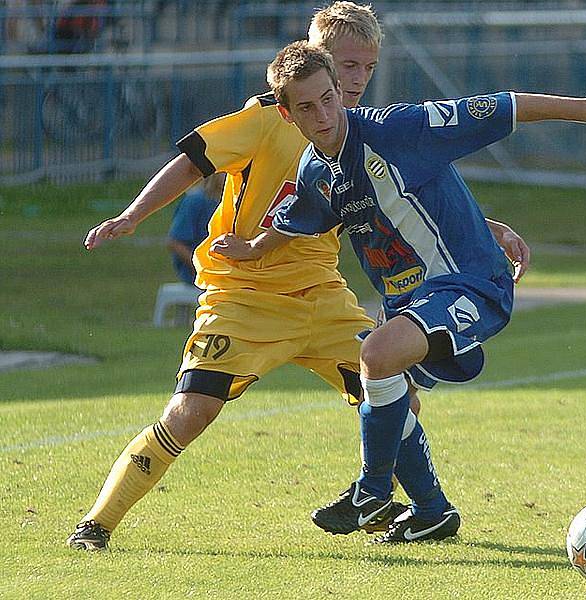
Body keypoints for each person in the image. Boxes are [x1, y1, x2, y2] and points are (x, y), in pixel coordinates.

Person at [68, 2, 530, 551]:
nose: (356, 79)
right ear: (316, 63)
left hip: (321, 295)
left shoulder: (359, 130)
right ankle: (98, 522)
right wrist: (131, 216)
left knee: (394, 389)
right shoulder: (270, 117)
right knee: (194, 410)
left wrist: (486, 231)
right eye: (346, 65)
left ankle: (423, 509)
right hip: (246, 295)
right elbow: (194, 160)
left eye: (366, 68)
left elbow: (409, 202)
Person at [212, 41, 586, 543]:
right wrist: (254, 249)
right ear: (287, 113)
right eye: (306, 107)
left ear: (340, 92)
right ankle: (432, 510)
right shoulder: (316, 172)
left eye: (328, 98)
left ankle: (371, 493)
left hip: (471, 281)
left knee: (376, 353)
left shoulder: (398, 128)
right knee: (393, 396)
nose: (322, 114)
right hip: (410, 302)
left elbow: (504, 105)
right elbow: (297, 218)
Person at [167, 175, 223, 287]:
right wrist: (200, 267)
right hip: (199, 274)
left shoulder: (233, 201)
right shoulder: (196, 200)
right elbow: (175, 242)